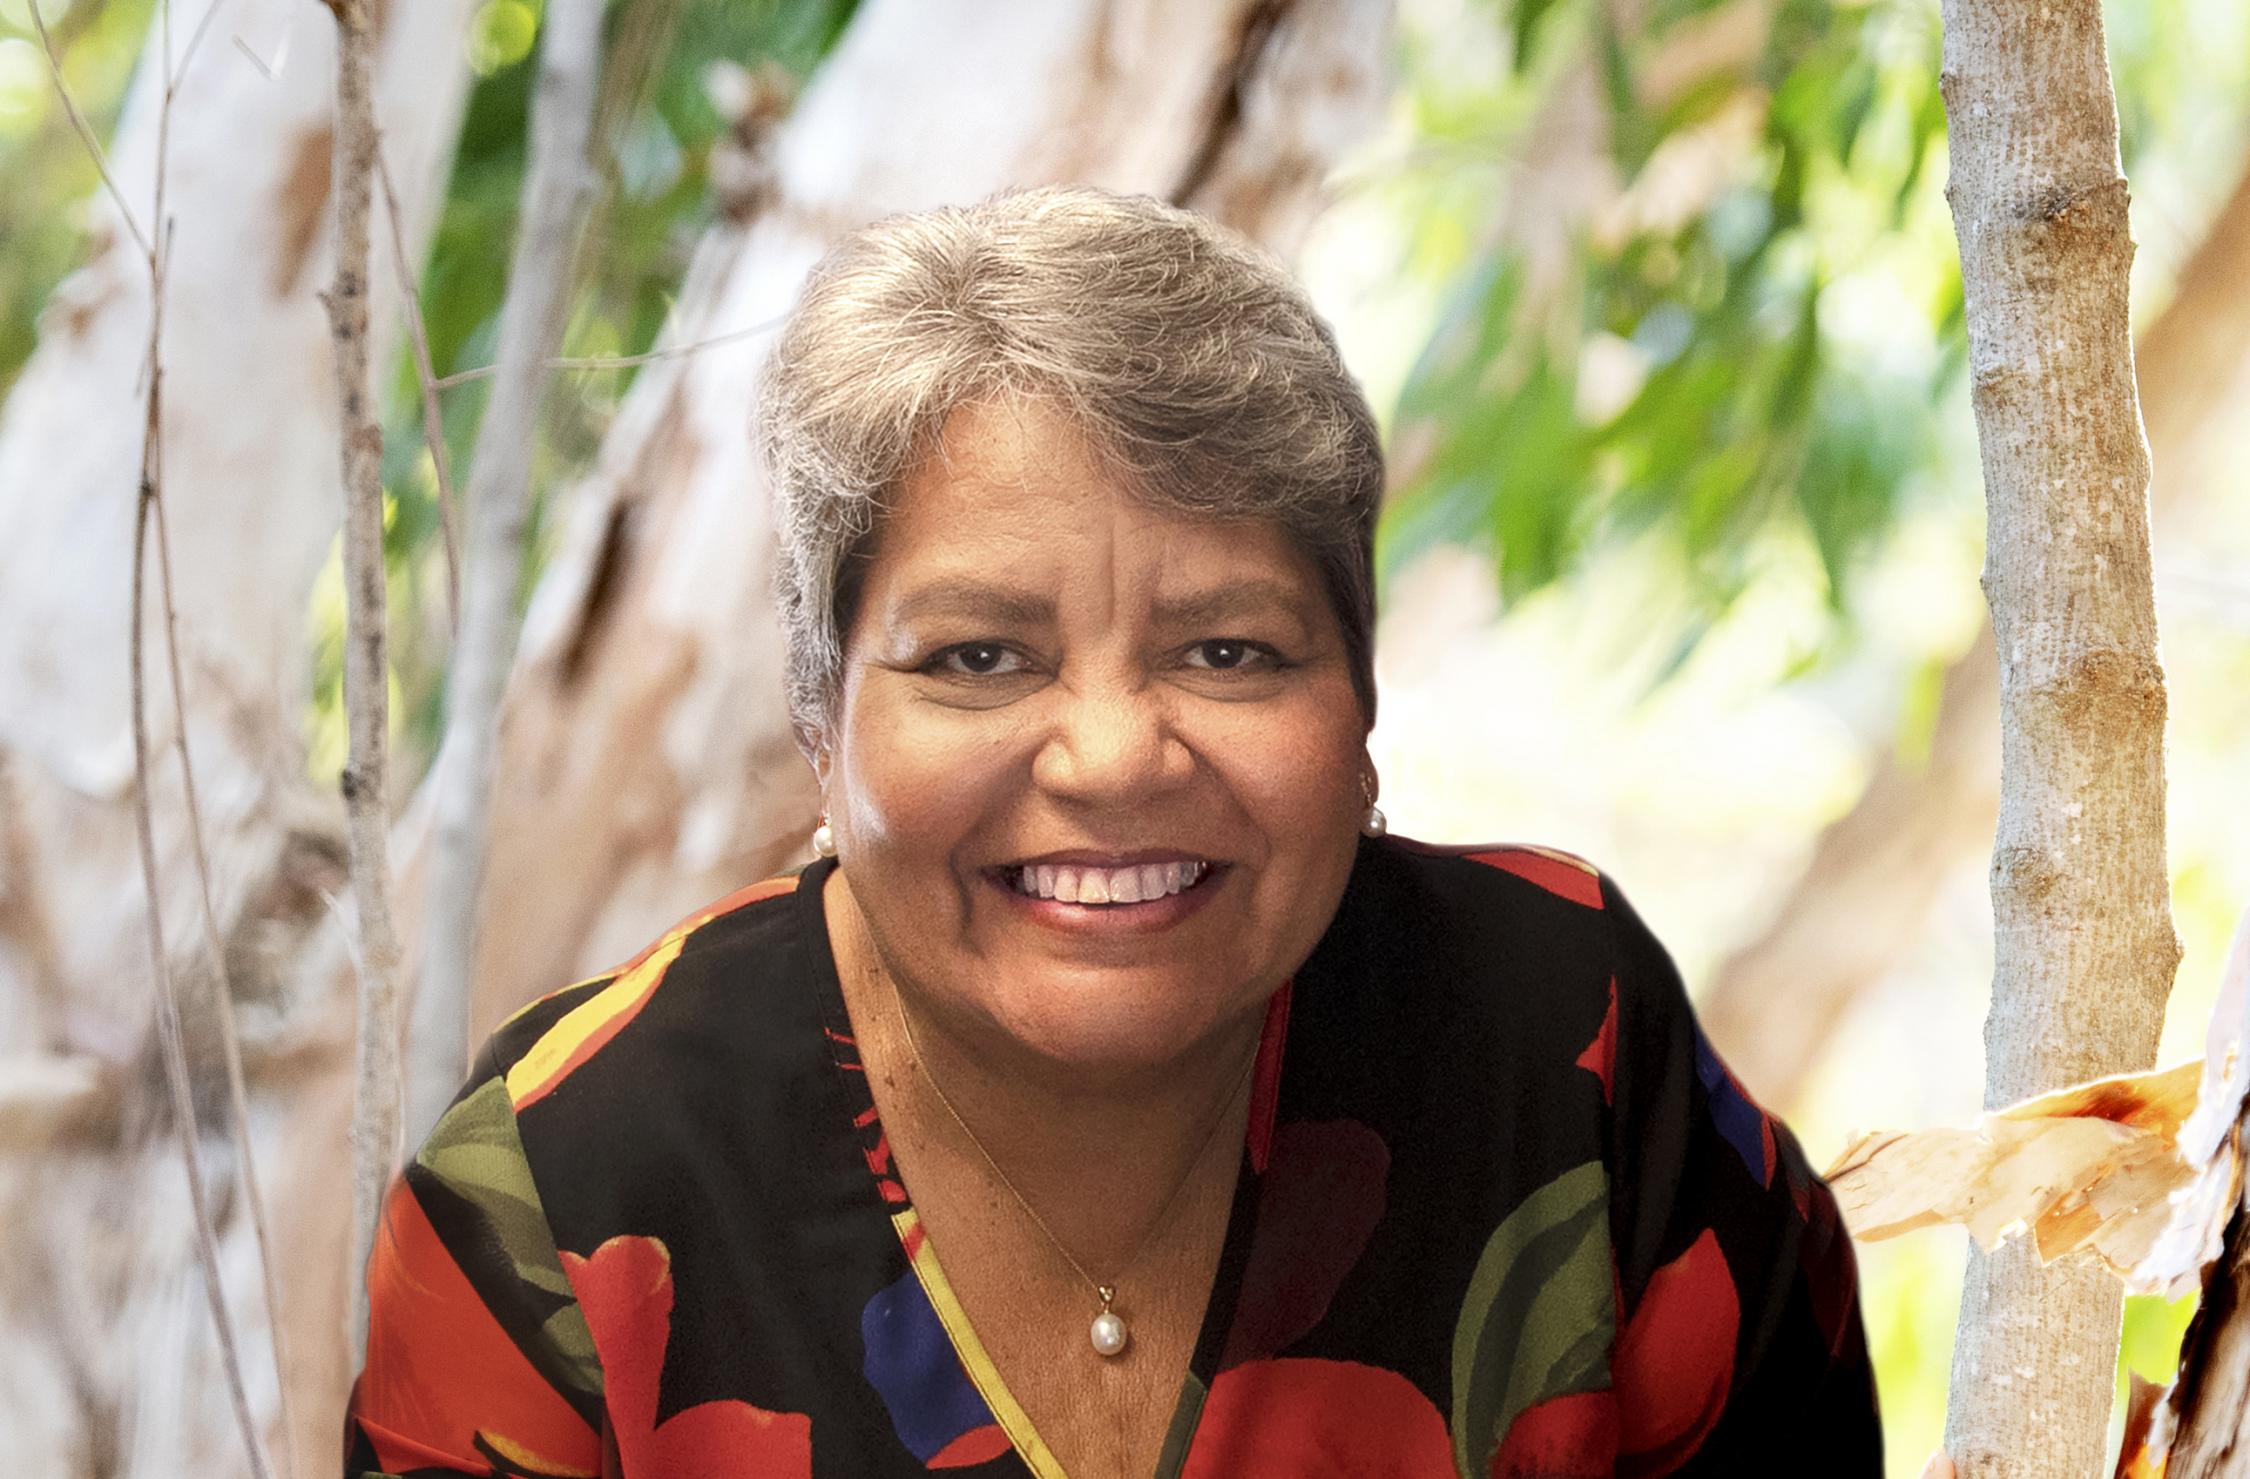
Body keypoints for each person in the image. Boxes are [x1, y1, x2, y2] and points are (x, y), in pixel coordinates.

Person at [345, 185, 1881, 1478]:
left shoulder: (1566, 1041)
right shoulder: (562, 1186)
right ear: (822, 722)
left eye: (1228, 651)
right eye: (977, 658)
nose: (1108, 755)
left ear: (1355, 714)